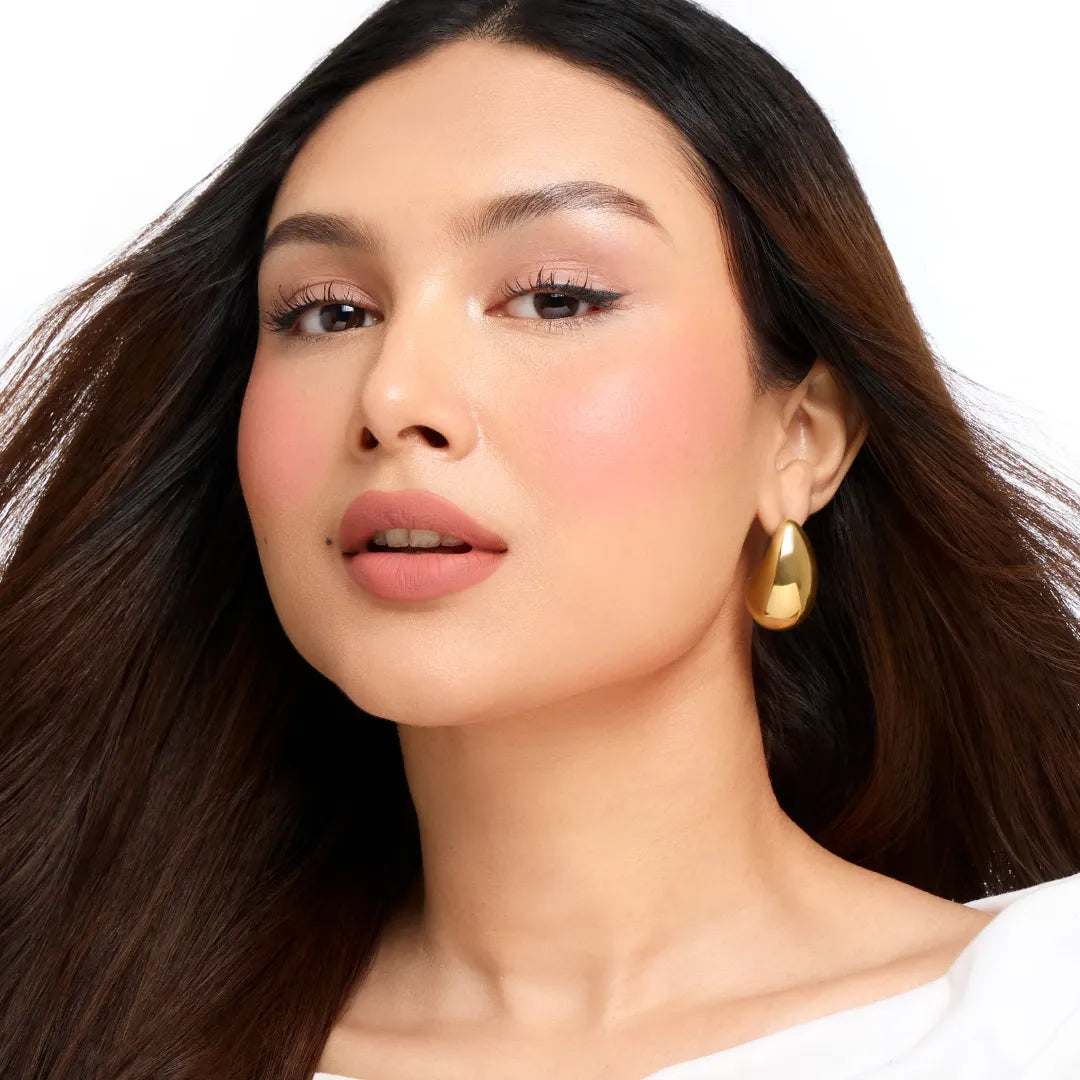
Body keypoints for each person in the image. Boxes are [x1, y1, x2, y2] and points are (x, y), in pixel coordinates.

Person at [2, 0, 1079, 1077]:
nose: (393, 396)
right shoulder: (72, 1024)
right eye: (330, 312)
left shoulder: (1042, 1020)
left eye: (556, 299)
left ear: (802, 440)